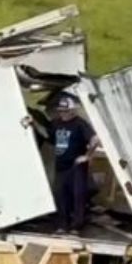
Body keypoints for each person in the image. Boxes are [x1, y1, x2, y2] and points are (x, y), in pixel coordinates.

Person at [49, 95, 100, 233]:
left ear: (72, 111)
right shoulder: (56, 123)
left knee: (78, 196)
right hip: (61, 166)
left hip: (76, 166)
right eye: (60, 111)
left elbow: (95, 139)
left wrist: (87, 156)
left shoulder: (80, 123)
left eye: (65, 111)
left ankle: (76, 226)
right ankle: (62, 225)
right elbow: (49, 136)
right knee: (60, 195)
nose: (63, 114)